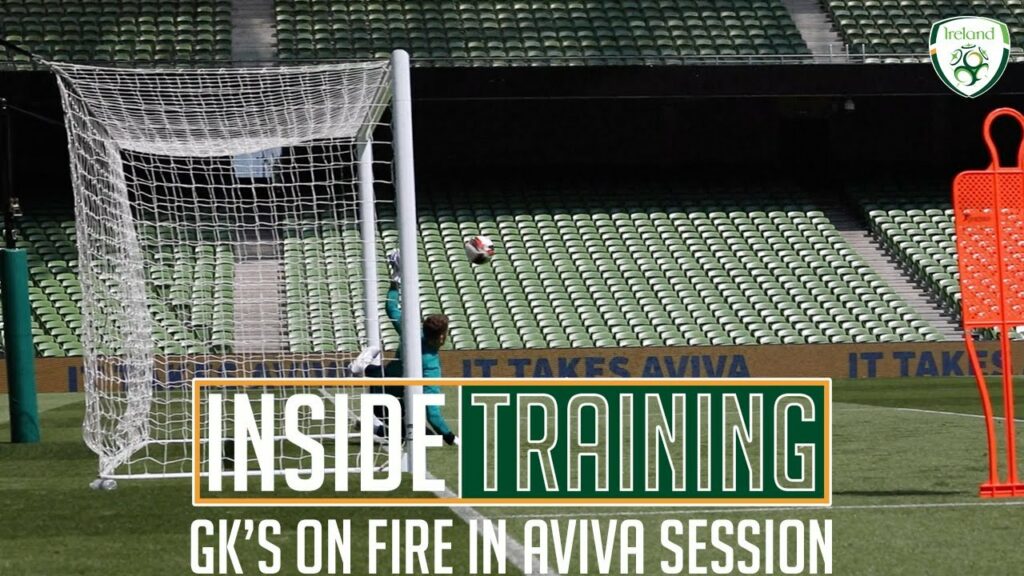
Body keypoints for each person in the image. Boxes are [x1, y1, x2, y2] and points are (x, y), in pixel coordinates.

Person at [351, 250, 458, 446]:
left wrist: (395, 280)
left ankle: (366, 370)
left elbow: (391, 308)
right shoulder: (430, 366)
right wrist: (452, 438)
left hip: (379, 386)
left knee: (408, 417)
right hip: (388, 402)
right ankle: (373, 425)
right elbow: (433, 414)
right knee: (423, 436)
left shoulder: (412, 334)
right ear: (442, 336)